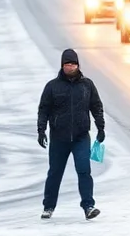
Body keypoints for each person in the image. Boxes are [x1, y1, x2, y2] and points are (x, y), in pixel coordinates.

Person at [38, 48, 105, 220]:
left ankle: (88, 206)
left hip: (81, 136)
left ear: (78, 65)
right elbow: (43, 109)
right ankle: (49, 206)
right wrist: (41, 130)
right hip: (59, 138)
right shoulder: (52, 86)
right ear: (62, 65)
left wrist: (100, 127)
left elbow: (96, 106)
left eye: (73, 64)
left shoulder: (87, 85)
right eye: (67, 64)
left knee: (84, 170)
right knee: (55, 172)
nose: (71, 67)